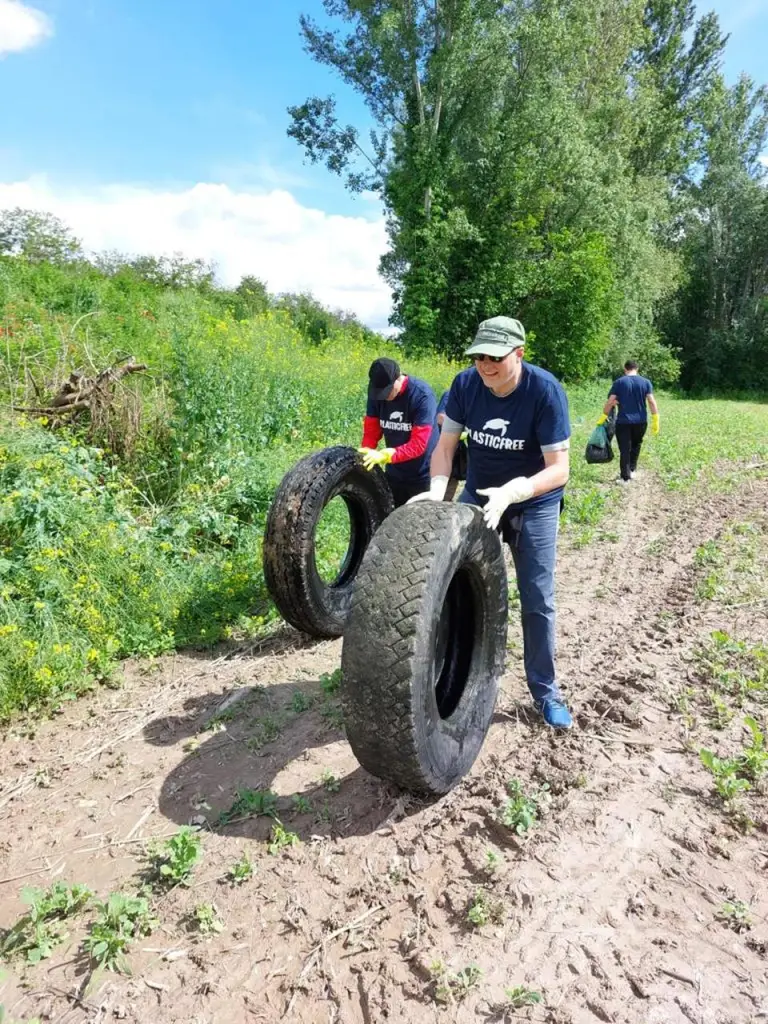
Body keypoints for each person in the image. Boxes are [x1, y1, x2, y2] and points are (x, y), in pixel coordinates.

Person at [410, 316, 573, 730]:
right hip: (480, 496)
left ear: (518, 353)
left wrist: (516, 492)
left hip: (532, 501)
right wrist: (437, 488)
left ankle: (546, 692)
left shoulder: (545, 392)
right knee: (448, 582)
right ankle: (446, 671)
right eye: (479, 356)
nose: (485, 365)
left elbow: (560, 469)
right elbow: (445, 447)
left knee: (537, 598)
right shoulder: (466, 385)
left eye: (495, 357)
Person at [358, 357, 439, 507]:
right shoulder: (376, 394)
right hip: (394, 472)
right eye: (380, 393)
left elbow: (419, 444)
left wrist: (386, 455)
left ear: (398, 378)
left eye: (387, 391)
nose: (385, 397)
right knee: (390, 519)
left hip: (423, 474)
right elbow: (371, 431)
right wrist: (366, 453)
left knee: (419, 524)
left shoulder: (422, 396)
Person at [598, 360, 659, 484]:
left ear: (625, 369)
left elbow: (610, 401)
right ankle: (632, 470)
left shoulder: (619, 382)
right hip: (641, 421)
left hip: (623, 422)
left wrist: (604, 415)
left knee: (625, 448)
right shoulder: (646, 382)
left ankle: (625, 478)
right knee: (636, 445)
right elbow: (651, 401)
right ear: (637, 368)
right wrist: (655, 418)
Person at [436, 389, 468, 501]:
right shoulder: (451, 393)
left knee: (451, 487)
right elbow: (440, 418)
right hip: (443, 446)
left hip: (457, 451)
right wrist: (464, 425)